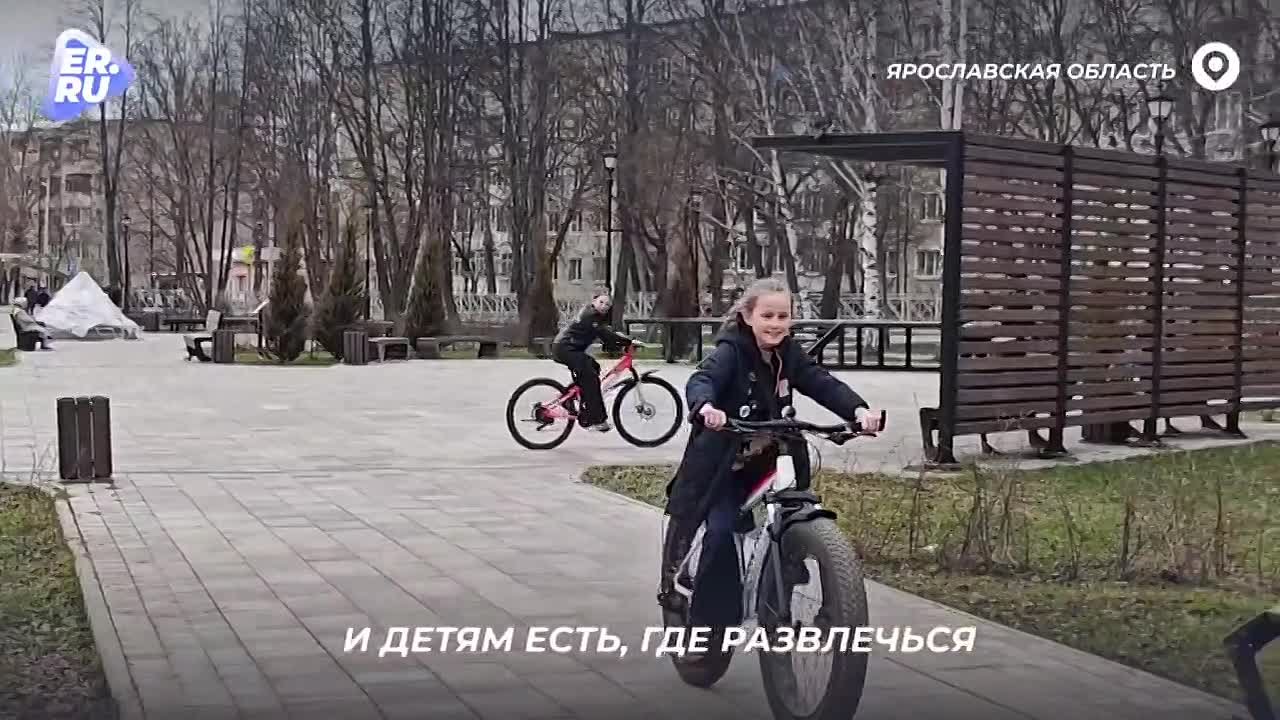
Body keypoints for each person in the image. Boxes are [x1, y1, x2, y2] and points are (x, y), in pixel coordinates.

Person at [657, 277, 881, 635]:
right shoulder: (731, 352)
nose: (776, 324)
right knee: (721, 529)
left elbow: (821, 382)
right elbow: (702, 379)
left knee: (795, 501)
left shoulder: (789, 353)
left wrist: (858, 411)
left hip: (769, 456)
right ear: (748, 317)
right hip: (725, 463)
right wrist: (706, 407)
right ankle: (709, 626)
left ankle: (790, 552)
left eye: (783, 316)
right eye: (767, 316)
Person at [552, 291, 634, 432]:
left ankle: (575, 400)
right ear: (593, 301)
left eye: (607, 304)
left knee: (593, 367)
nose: (604, 306)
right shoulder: (590, 315)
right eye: (601, 302)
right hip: (566, 349)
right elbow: (605, 334)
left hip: (568, 348)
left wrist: (619, 342)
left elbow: (605, 335)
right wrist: (628, 342)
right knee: (592, 380)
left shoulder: (594, 316)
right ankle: (597, 420)